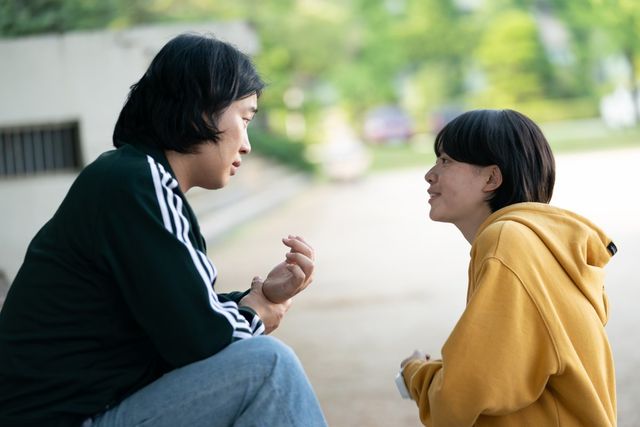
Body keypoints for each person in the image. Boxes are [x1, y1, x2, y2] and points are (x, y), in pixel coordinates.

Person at [0, 33, 327, 427]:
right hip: (64, 418)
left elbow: (177, 317)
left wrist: (258, 297)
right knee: (268, 367)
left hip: (83, 410)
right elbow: (199, 339)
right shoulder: (137, 183)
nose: (246, 145)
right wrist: (256, 311)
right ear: (200, 110)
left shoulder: (129, 176)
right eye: (244, 119)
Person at [398, 109, 617, 426]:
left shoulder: (506, 241)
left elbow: (461, 396)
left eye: (446, 161)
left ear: (491, 178)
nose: (430, 175)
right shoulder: (537, 243)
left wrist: (415, 372)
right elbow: (504, 368)